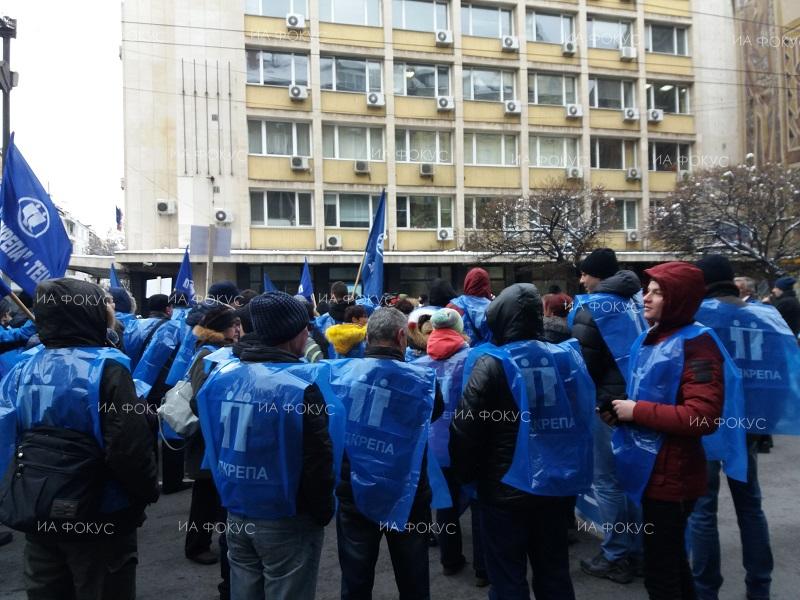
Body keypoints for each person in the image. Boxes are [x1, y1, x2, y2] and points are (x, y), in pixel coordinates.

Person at [0, 278, 158, 599]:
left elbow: (6, 441)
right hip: (101, 516)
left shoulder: (19, 368)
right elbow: (129, 450)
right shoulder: (109, 369)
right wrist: (142, 498)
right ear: (92, 315)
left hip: (36, 510)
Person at [450, 283, 594, 600]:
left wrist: (468, 478)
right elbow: (581, 418)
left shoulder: (490, 362)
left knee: (507, 578)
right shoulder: (566, 359)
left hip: (503, 490)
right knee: (554, 573)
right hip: (555, 486)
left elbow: (465, 430)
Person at [196, 292, 336, 600]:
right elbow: (318, 457)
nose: (309, 334)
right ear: (292, 335)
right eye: (305, 329)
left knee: (244, 590)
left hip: (235, 508)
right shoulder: (301, 386)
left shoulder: (222, 374)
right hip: (286, 516)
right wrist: (322, 510)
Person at [609, 262, 729, 600]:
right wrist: (622, 413)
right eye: (647, 290)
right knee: (672, 564)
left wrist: (638, 411)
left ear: (678, 298)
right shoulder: (656, 336)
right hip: (655, 472)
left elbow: (703, 418)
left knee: (662, 575)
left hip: (672, 477)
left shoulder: (697, 345)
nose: (645, 298)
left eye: (657, 292)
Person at [687, 255, 790, 600]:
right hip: (748, 422)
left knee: (703, 508)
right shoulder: (764, 316)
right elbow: (781, 373)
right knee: (750, 506)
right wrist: (766, 423)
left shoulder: (699, 317)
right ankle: (759, 587)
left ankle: (705, 590)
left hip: (708, 422)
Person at [334, 307, 443, 600]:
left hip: (353, 490)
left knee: (355, 581)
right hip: (406, 493)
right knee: (413, 580)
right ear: (400, 337)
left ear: (367, 337)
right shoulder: (423, 381)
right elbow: (435, 412)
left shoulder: (338, 374)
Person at [570, 248, 646, 583]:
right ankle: (639, 549)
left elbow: (583, 366)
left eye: (585, 273)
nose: (581, 280)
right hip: (637, 401)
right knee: (631, 480)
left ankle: (617, 554)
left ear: (597, 274)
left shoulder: (593, 307)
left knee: (607, 481)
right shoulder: (635, 300)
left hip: (607, 407)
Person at [415, 308, 487, 586]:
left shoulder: (420, 365)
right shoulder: (475, 358)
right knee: (480, 504)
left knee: (444, 504)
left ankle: (450, 561)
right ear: (459, 329)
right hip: (470, 442)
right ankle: (484, 569)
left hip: (435, 445)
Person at [447, 267, 493, 346]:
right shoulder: (494, 307)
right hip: (487, 355)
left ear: (467, 282)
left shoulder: (453, 306)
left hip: (458, 355)